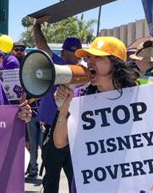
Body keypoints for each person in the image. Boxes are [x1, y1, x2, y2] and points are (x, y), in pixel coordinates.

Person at [53, 36, 137, 191]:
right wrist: (64, 110)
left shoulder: (137, 97)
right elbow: (59, 142)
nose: (90, 62)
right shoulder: (80, 96)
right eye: (88, 57)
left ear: (116, 63)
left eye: (97, 57)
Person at [32, 15, 83, 187]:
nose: (74, 57)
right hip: (51, 130)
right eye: (71, 53)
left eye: (77, 54)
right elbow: (41, 45)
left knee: (74, 179)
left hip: (73, 131)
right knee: (52, 178)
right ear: (62, 53)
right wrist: (37, 25)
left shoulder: (84, 72)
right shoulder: (54, 63)